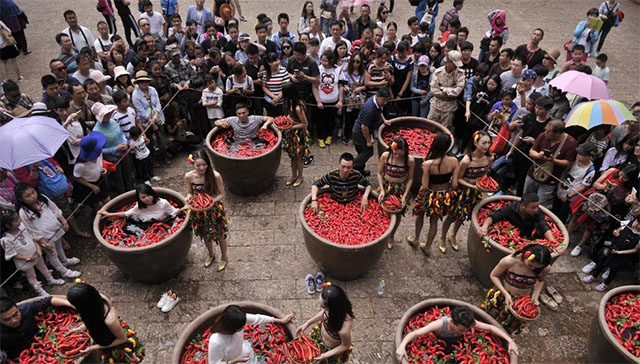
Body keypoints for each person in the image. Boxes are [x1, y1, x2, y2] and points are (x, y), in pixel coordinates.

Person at [396, 306, 518, 361]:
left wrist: (510, 341)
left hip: (456, 344)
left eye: (466, 330)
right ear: (453, 322)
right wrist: (402, 346)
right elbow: (415, 333)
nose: (465, 332)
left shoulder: (468, 324)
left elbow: (491, 328)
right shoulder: (440, 324)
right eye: (461, 330)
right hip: (438, 341)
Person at [568, 164, 638, 257]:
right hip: (593, 198)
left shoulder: (629, 189)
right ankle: (567, 236)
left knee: (590, 226)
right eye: (621, 175)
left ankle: (580, 245)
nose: (621, 178)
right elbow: (596, 183)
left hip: (604, 207)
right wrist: (603, 187)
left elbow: (622, 204)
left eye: (624, 178)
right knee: (575, 216)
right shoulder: (612, 171)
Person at [14, 183, 81, 277]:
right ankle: (64, 272)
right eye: (28, 196)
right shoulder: (24, 212)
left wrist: (63, 221)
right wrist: (43, 242)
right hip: (45, 237)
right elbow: (31, 229)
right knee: (52, 254)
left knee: (59, 246)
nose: (33, 196)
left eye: (33, 192)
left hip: (55, 228)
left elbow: (55, 209)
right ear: (21, 199)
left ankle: (64, 261)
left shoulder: (43, 199)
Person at [441, 131, 493, 253]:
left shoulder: (490, 158)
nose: (486, 146)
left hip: (475, 192)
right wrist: (473, 186)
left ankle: (452, 235)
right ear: (475, 142)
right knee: (452, 216)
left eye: (489, 143)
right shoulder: (466, 160)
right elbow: (458, 178)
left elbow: (486, 173)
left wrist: (484, 184)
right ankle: (442, 237)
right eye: (484, 143)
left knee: (463, 216)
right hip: (462, 191)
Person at [483, 244, 552, 334]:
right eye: (531, 265)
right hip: (503, 295)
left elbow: (540, 281)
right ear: (526, 255)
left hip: (522, 301)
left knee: (509, 325)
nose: (533, 268)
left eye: (537, 268)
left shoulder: (545, 268)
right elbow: (494, 275)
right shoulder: (510, 261)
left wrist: (535, 297)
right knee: (490, 318)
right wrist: (506, 294)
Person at [408, 133, 456, 255]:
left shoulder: (429, 164)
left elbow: (424, 186)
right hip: (442, 195)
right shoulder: (454, 161)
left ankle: (416, 239)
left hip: (429, 194)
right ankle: (428, 247)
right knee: (434, 221)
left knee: (420, 215)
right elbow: (454, 184)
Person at [1, 209, 66, 296]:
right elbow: (12, 254)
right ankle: (39, 290)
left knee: (43, 268)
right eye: (16, 221)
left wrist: (38, 249)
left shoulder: (22, 227)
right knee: (31, 276)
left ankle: (50, 279)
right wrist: (25, 258)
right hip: (25, 261)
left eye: (18, 218)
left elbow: (32, 238)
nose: (19, 221)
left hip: (36, 253)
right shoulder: (6, 239)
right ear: (7, 225)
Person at [64, 283, 136, 358]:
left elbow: (122, 339)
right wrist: (79, 328)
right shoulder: (95, 301)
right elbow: (94, 319)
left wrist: (93, 347)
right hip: (103, 339)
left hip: (116, 345)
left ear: (84, 306)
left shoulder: (110, 321)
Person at [185, 150, 229, 271]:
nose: (202, 167)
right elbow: (189, 192)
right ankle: (211, 254)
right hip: (198, 210)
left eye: (204, 164)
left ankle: (224, 257)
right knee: (205, 234)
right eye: (198, 165)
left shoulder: (215, 176)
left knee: (220, 234)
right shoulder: (189, 177)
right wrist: (188, 197)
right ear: (192, 164)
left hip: (214, 209)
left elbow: (222, 194)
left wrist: (210, 202)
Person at [208, 305, 294, 364]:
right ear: (233, 327)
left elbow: (257, 318)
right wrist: (235, 360)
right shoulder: (216, 342)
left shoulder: (237, 319)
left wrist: (280, 321)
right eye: (241, 327)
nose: (244, 327)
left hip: (243, 351)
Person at [524, 120, 577, 209]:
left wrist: (554, 160)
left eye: (548, 132)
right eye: (546, 130)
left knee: (540, 204)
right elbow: (532, 151)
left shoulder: (570, 143)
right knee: (526, 197)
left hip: (550, 179)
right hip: (533, 172)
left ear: (557, 134)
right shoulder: (542, 136)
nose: (546, 133)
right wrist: (538, 155)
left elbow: (568, 163)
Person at [0, 295, 76, 359]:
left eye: (16, 314)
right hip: (20, 356)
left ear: (18, 308)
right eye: (7, 320)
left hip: (43, 341)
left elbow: (49, 300)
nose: (14, 320)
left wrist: (70, 304)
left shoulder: (26, 309)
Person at [295, 283, 354, 362]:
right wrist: (308, 323)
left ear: (333, 309)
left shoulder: (344, 328)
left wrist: (325, 355)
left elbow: (346, 345)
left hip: (331, 350)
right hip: (320, 337)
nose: (321, 308)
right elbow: (323, 313)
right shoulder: (332, 311)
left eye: (323, 306)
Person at [582, 215, 640, 291]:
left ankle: (605, 284)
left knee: (613, 269)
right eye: (636, 221)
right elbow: (620, 228)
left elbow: (635, 250)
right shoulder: (629, 224)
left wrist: (620, 252)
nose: (636, 224)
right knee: (602, 262)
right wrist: (617, 231)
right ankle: (593, 275)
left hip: (622, 255)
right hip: (613, 247)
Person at [377, 138, 415, 249]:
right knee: (383, 211)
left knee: (397, 214)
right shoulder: (386, 156)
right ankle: (382, 233)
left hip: (400, 189)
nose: (396, 153)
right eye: (395, 150)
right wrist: (382, 190)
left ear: (405, 150)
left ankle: (391, 236)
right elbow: (379, 173)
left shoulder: (410, 160)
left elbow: (410, 179)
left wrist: (404, 196)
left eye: (399, 151)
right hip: (386, 187)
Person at [91, 102, 134, 196]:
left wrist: (125, 142)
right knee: (118, 181)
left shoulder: (113, 121)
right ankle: (124, 198)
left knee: (128, 175)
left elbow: (121, 133)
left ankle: (132, 194)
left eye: (108, 114)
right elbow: (99, 151)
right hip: (112, 159)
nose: (107, 116)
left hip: (124, 153)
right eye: (105, 115)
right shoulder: (96, 131)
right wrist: (115, 149)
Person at [352, 87, 391, 175]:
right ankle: (350, 165)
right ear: (378, 96)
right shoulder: (369, 108)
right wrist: (368, 141)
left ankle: (359, 171)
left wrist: (384, 120)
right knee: (368, 152)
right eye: (383, 100)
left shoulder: (377, 102)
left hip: (365, 131)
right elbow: (364, 127)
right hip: (359, 133)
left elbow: (379, 111)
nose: (385, 103)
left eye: (387, 100)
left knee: (362, 152)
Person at [280, 83, 311, 188]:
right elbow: (290, 115)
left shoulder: (298, 107)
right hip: (291, 132)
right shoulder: (290, 103)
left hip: (299, 134)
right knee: (292, 156)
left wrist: (289, 127)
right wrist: (286, 120)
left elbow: (305, 124)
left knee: (298, 157)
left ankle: (300, 176)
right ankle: (293, 175)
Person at [427, 50, 465, 132]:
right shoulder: (438, 72)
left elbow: (457, 91)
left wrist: (442, 88)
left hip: (449, 109)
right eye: (454, 63)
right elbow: (433, 90)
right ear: (448, 62)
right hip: (435, 106)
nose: (455, 66)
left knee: (444, 132)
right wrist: (450, 89)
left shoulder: (460, 74)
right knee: (429, 128)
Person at [72, 132, 111, 209]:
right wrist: (91, 186)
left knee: (107, 200)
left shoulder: (99, 153)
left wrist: (103, 170)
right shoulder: (80, 165)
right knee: (99, 205)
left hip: (99, 179)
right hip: (88, 185)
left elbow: (99, 165)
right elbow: (76, 177)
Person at [315, 50, 345, 148]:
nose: (323, 63)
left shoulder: (338, 70)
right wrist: (318, 101)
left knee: (331, 120)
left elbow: (341, 85)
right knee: (320, 120)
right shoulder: (318, 69)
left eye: (326, 61)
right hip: (321, 100)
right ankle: (320, 137)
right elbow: (314, 86)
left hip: (333, 100)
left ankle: (329, 135)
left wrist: (340, 100)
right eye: (322, 60)